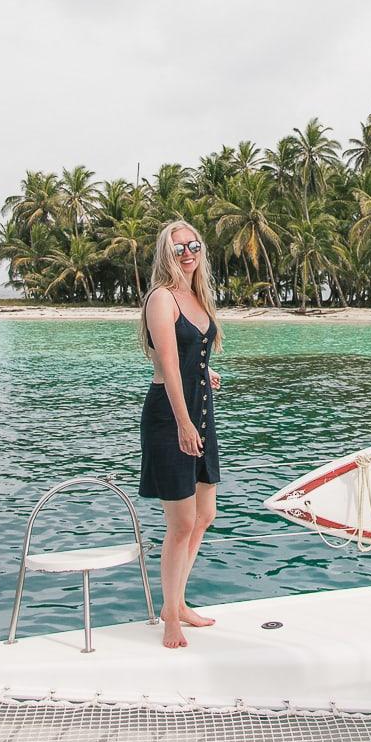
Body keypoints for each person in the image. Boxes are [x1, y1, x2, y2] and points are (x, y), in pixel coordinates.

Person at [139, 220, 222, 648]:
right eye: (178, 248)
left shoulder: (195, 296)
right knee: (181, 523)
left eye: (193, 245)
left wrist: (205, 371)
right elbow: (167, 366)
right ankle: (169, 615)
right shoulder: (161, 298)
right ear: (166, 254)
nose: (187, 253)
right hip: (171, 417)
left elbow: (189, 354)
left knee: (204, 517)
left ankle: (181, 600)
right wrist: (184, 423)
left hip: (200, 410)